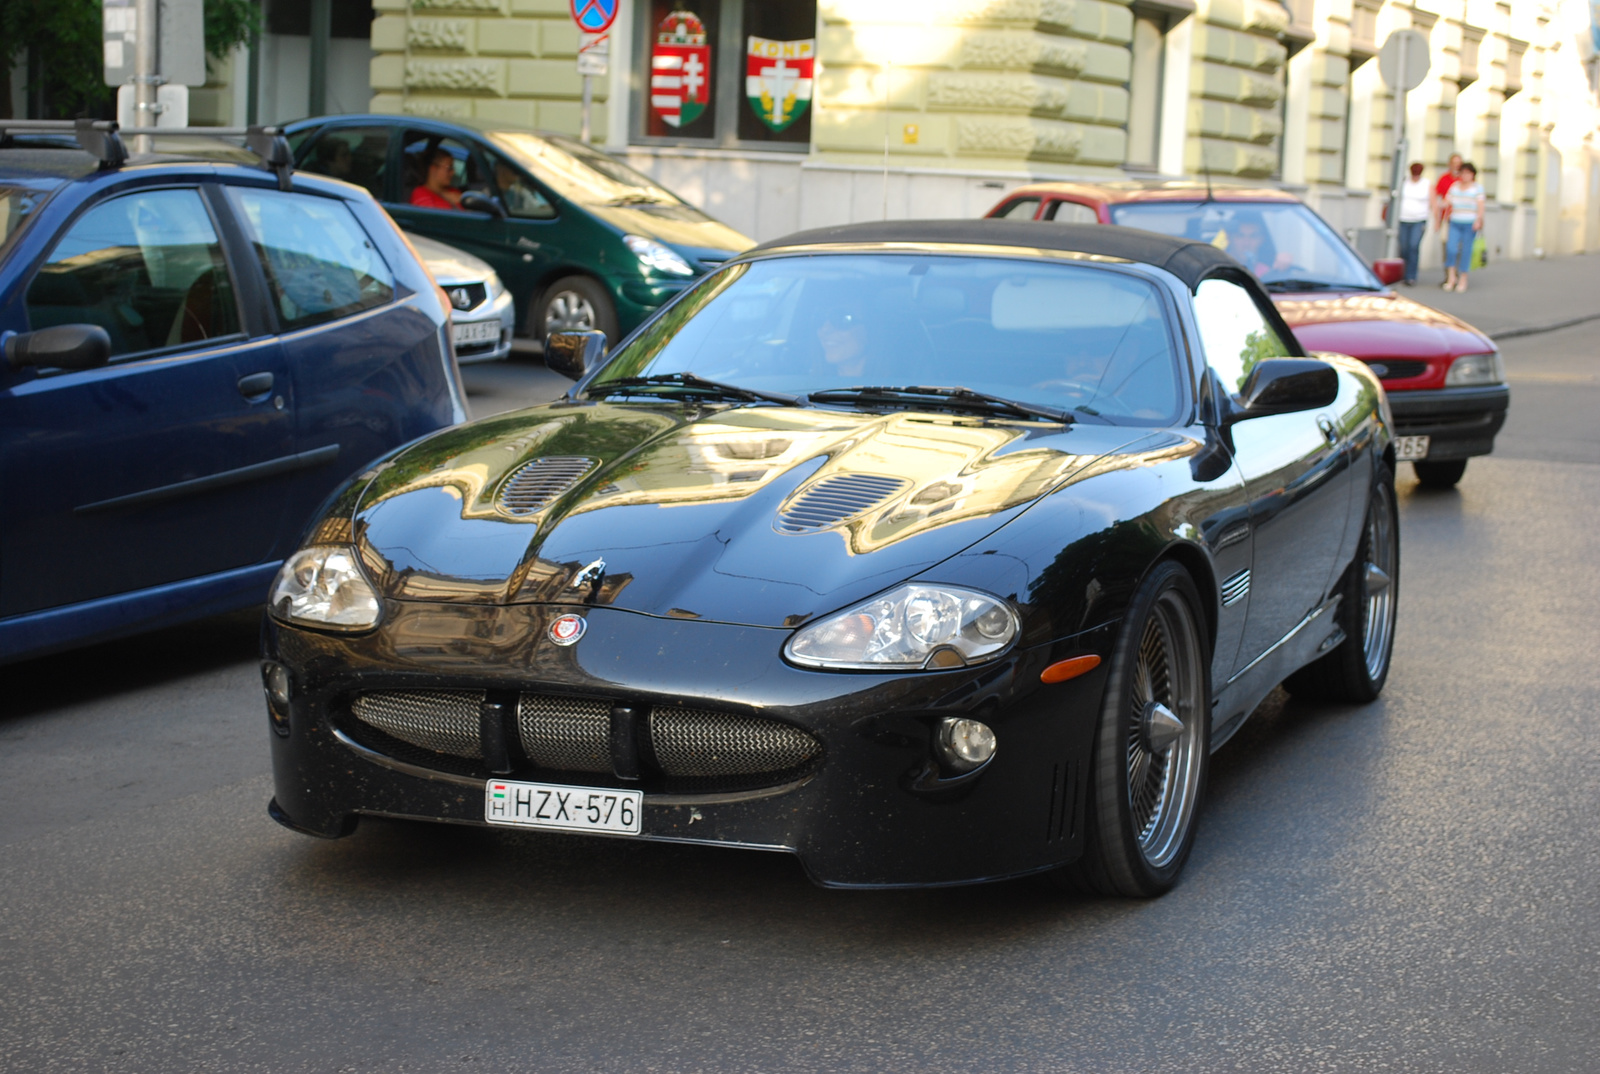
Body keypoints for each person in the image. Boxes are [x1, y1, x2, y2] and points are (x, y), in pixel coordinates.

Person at [1442, 162, 1486, 292]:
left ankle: (1463, 278)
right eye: (1463, 173)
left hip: (1469, 223)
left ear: (1472, 175)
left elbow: (1481, 206)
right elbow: (1446, 201)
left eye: (1468, 173)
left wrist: (1479, 220)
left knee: (1466, 250)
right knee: (1451, 249)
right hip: (1455, 221)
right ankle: (1451, 277)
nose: (1465, 176)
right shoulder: (1455, 187)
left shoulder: (1477, 188)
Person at [1397, 161, 1431, 285]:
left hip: (1419, 220)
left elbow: (1433, 202)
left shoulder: (1426, 184)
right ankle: (1402, 273)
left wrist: (1438, 220)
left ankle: (1411, 276)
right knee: (1403, 247)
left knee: (1413, 246)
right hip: (1403, 219)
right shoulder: (1404, 183)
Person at [1226, 214, 1292, 278]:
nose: (1246, 243)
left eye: (1253, 236)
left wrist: (1283, 270)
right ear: (1229, 238)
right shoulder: (1219, 267)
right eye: (1240, 236)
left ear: (1261, 239)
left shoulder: (1267, 272)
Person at [816, 300, 868, 381]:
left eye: (841, 320)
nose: (825, 329)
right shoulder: (803, 384)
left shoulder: (892, 385)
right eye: (820, 320)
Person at [1433, 153, 1463, 281]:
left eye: (1459, 163)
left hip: (1462, 218)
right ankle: (1448, 275)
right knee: (1447, 247)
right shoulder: (1444, 178)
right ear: (1449, 164)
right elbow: (1437, 198)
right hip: (1447, 218)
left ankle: (1457, 273)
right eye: (1454, 163)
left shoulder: (1465, 179)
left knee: (1459, 248)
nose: (1456, 166)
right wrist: (1437, 219)